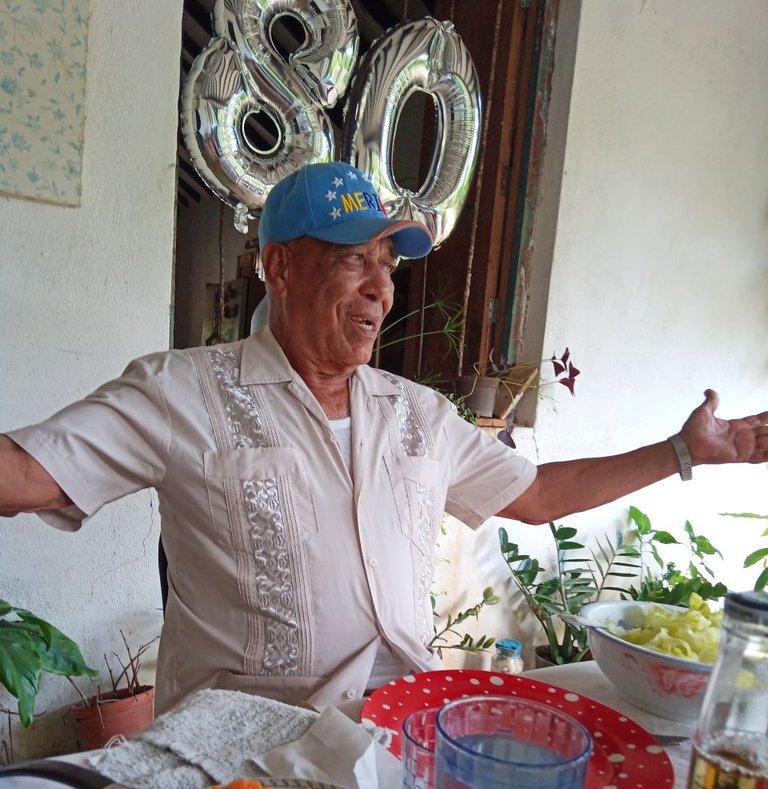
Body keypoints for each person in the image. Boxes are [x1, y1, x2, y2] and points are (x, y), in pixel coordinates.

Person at [2, 161, 767, 715]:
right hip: (242, 756)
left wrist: (683, 453)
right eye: (351, 260)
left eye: (387, 264)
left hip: (399, 732)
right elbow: (22, 476)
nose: (380, 287)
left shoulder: (417, 414)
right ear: (280, 267)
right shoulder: (183, 392)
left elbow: (536, 496)